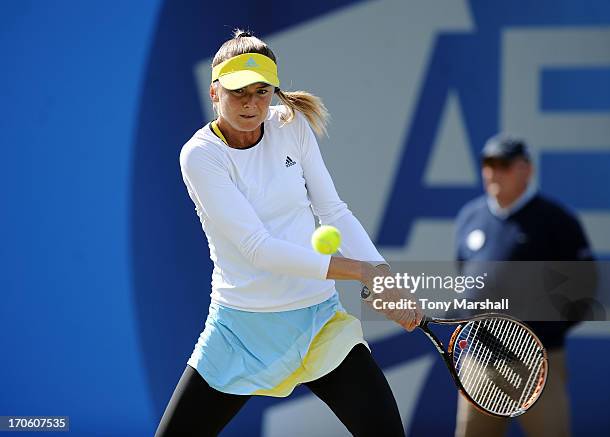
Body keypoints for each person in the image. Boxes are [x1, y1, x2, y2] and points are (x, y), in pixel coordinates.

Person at [154, 29, 421, 437]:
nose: (250, 102)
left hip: (318, 324)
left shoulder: (291, 126)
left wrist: (382, 273)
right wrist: (365, 274)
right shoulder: (200, 156)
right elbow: (257, 249)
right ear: (214, 93)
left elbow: (333, 210)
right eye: (238, 91)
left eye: (261, 91)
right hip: (241, 332)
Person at [453, 134, 594, 437]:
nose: (493, 172)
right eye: (487, 164)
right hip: (480, 361)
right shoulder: (470, 218)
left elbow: (584, 291)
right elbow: (465, 278)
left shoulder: (557, 221)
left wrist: (541, 333)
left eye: (503, 164)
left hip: (539, 362)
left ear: (526, 170)